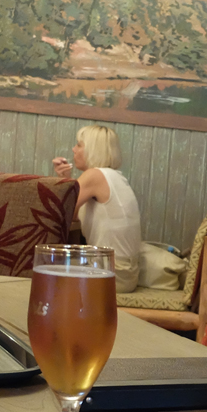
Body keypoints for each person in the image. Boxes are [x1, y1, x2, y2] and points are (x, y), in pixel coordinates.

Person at [52, 124, 141, 293]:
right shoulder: (113, 176)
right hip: (124, 273)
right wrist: (66, 181)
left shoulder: (95, 175)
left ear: (92, 150)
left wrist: (64, 184)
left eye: (79, 145)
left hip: (111, 274)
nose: (74, 149)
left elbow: (60, 214)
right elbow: (73, 216)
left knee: (44, 267)